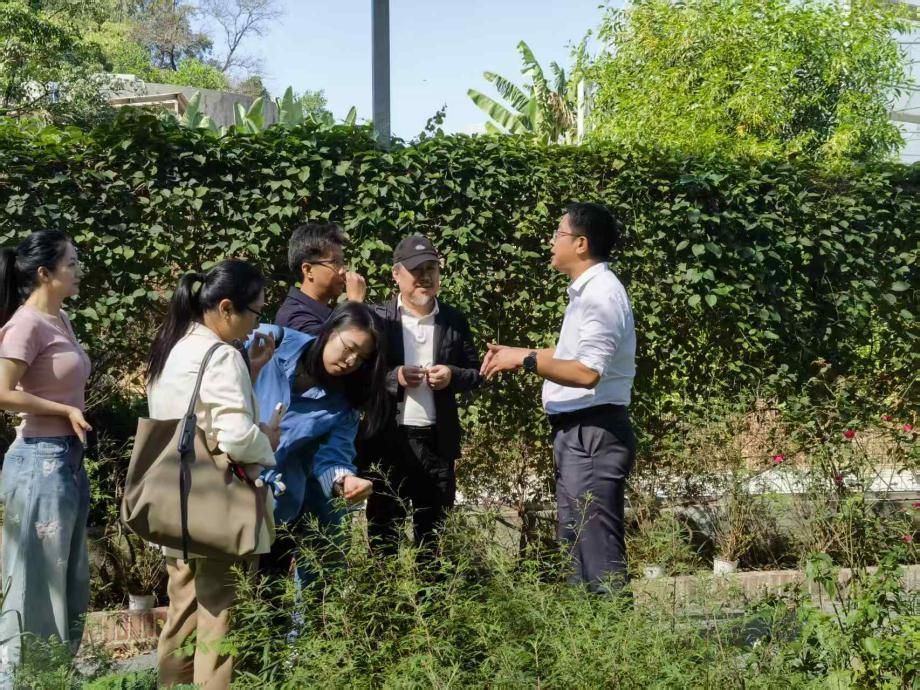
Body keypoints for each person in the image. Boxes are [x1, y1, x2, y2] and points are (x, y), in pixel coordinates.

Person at [481, 202, 637, 594]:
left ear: (581, 244)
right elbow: (572, 357)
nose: (551, 242)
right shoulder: (587, 293)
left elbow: (586, 372)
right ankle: (595, 646)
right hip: (580, 432)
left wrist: (528, 360)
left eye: (558, 234)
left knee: (596, 554)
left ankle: (613, 647)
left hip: (593, 432)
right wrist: (516, 355)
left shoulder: (601, 295)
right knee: (578, 548)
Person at [145, 259, 280, 689]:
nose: (258, 321)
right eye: (256, 311)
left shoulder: (173, 348)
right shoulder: (221, 356)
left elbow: (192, 419)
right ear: (226, 307)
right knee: (222, 624)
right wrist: (268, 442)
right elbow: (236, 437)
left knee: (181, 616)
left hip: (177, 506)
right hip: (219, 509)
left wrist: (251, 369)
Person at [0, 231, 93, 685]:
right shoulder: (26, 324)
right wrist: (64, 410)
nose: (78, 270)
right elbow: (3, 393)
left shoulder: (60, 319)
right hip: (38, 463)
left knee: (68, 582)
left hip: (67, 461)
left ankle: (53, 677)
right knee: (33, 585)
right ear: (44, 273)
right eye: (71, 263)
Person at [360, 234, 482, 561]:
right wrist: (394, 377)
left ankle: (432, 607)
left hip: (436, 441)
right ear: (396, 275)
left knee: (433, 536)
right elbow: (358, 375)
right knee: (384, 533)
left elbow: (476, 372)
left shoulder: (453, 320)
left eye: (432, 268)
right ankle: (387, 609)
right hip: (390, 441)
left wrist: (453, 376)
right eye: (416, 271)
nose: (425, 277)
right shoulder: (378, 319)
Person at [252, 302, 386, 588]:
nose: (351, 361)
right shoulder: (270, 343)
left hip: (276, 510)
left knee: (266, 598)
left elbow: (333, 458)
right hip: (223, 492)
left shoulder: (343, 404)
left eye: (361, 358)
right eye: (349, 347)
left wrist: (344, 481)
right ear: (329, 330)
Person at [275, 223, 367, 336]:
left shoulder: (324, 313)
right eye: (335, 262)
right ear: (308, 270)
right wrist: (355, 304)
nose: (343, 271)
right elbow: (336, 349)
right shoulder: (295, 317)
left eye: (342, 262)